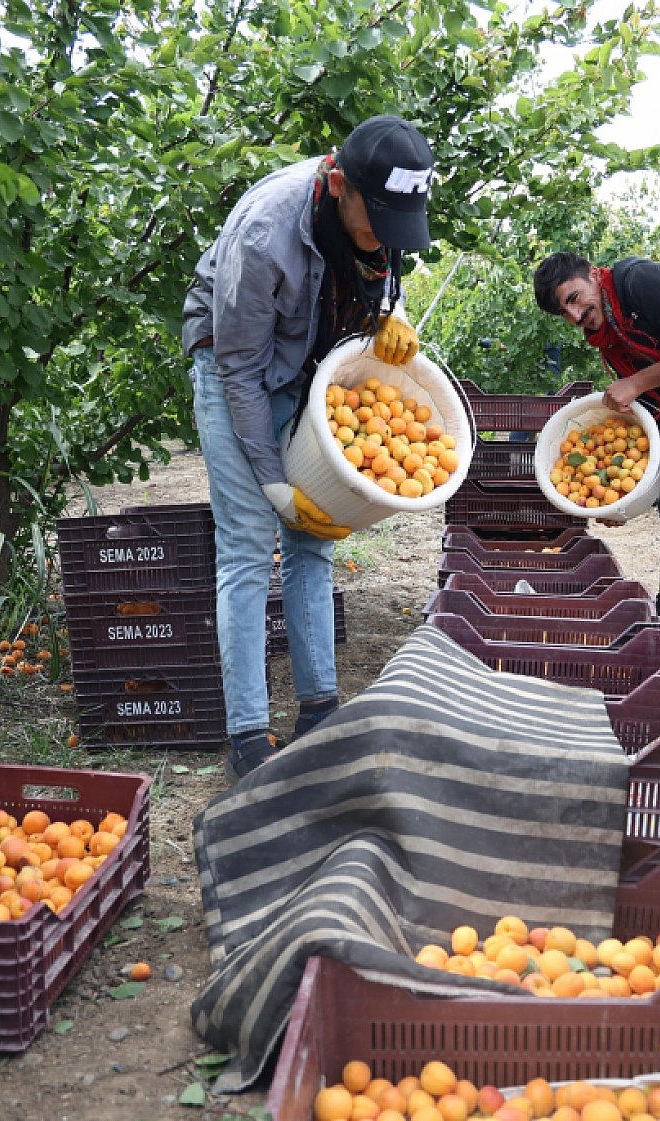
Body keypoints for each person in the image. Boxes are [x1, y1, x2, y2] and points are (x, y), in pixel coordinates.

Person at [182, 115, 435, 777]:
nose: (384, 236)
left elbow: (380, 271)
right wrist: (269, 477)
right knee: (247, 538)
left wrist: (393, 313)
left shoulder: (375, 223)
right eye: (377, 217)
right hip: (229, 364)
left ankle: (321, 709)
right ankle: (247, 738)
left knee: (312, 536)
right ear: (341, 184)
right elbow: (239, 368)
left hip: (302, 364)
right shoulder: (269, 232)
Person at [532, 253, 660, 623]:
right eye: (565, 313)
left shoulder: (636, 280)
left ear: (595, 276)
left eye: (574, 298)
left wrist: (634, 382)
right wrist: (626, 499)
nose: (575, 315)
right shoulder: (610, 335)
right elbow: (651, 409)